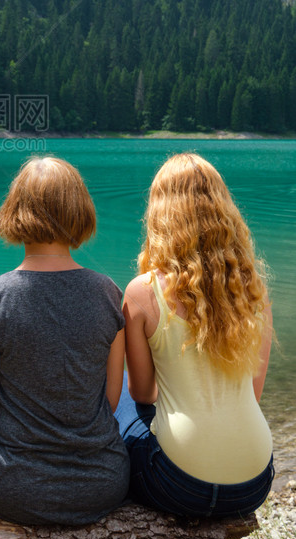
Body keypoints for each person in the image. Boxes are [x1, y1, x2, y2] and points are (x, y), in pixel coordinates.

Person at [0, 156, 129, 525]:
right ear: (80, 213)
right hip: (102, 483)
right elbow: (110, 399)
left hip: (10, 488)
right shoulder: (107, 293)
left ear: (14, 212)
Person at [116, 152, 274, 518]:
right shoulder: (254, 291)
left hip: (179, 486)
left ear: (160, 215)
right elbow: (253, 393)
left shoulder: (143, 292)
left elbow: (143, 394)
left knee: (122, 394)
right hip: (254, 483)